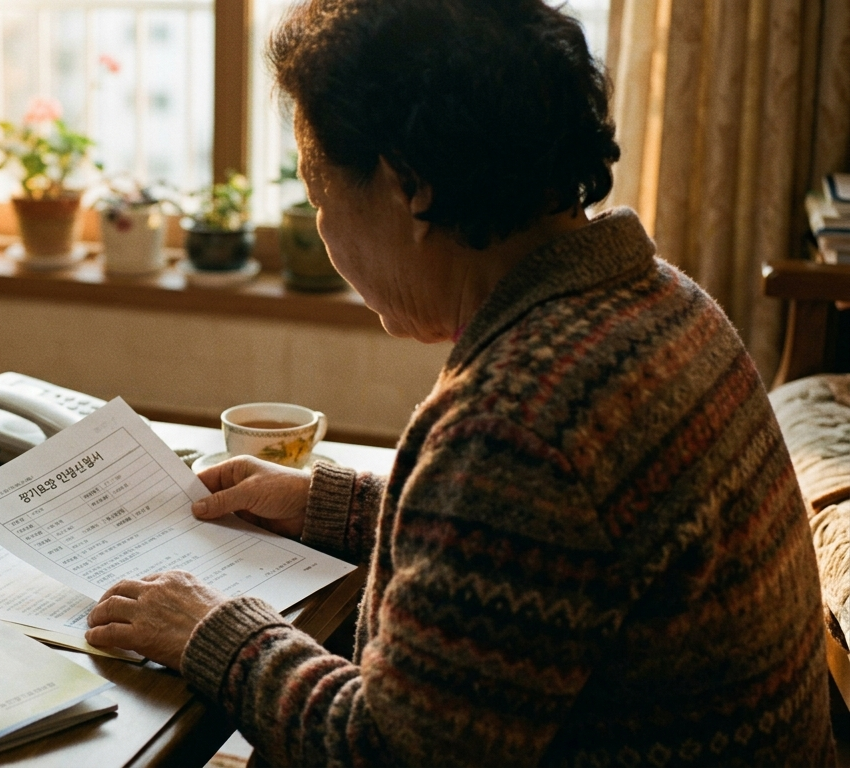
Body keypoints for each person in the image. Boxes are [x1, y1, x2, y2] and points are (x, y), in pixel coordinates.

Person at [84, 0, 836, 764]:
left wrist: (212, 631)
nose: (320, 227)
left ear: (408, 186)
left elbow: (390, 751)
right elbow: (538, 566)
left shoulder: (518, 425)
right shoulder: (661, 304)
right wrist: (335, 506)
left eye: (318, 194)